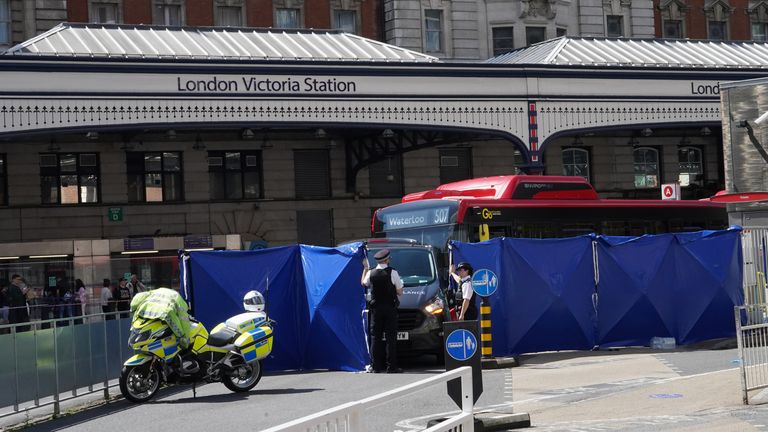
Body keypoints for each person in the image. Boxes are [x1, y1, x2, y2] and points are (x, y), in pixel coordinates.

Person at [361, 249, 404, 374]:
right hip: (390, 308)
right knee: (391, 338)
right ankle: (391, 367)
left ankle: (375, 366)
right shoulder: (393, 272)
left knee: (375, 337)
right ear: (387, 260)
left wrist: (365, 269)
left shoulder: (371, 273)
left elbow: (363, 283)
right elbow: (400, 291)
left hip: (376, 309)